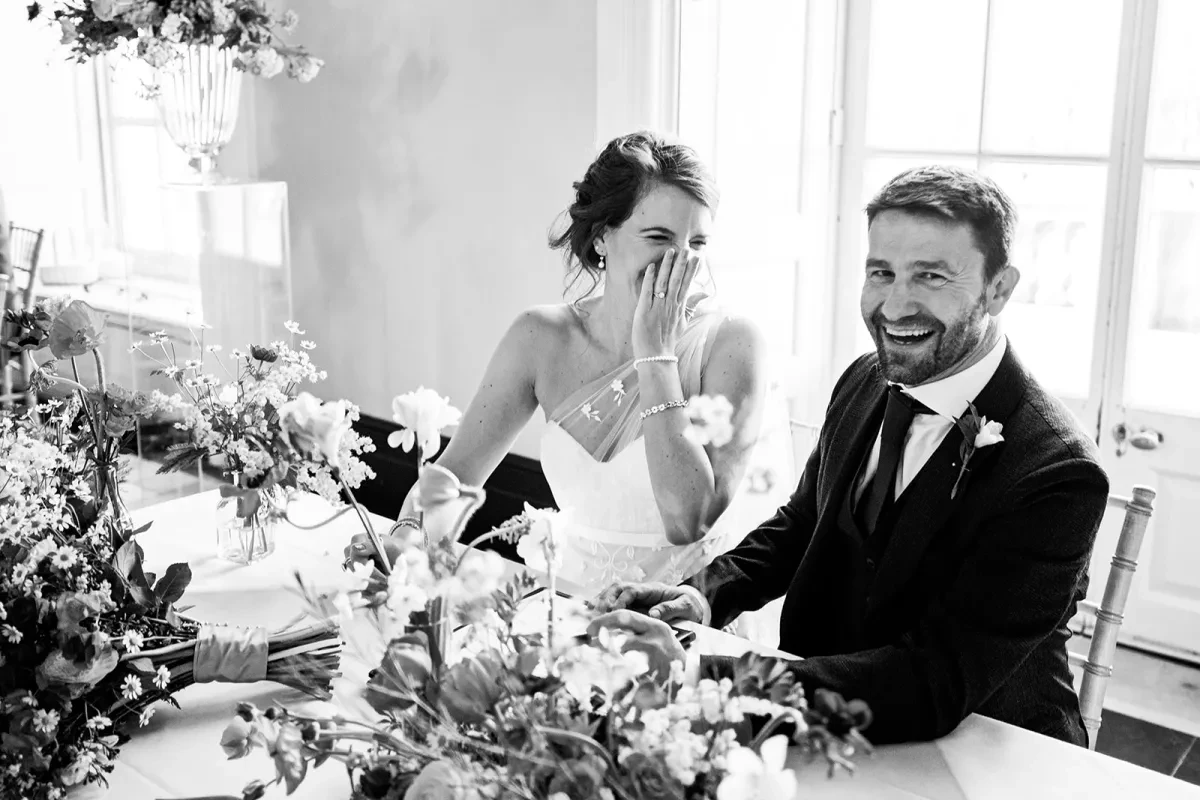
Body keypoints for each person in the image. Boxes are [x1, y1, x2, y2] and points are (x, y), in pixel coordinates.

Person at [591, 165, 1109, 747]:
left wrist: (702, 676)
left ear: (999, 288)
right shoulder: (865, 378)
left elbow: (934, 678)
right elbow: (803, 524)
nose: (894, 305)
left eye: (931, 277)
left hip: (984, 747)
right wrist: (703, 595)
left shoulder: (1059, 473)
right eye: (881, 272)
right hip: (825, 719)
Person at [348, 131, 792, 600]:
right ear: (603, 237)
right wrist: (406, 542)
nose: (682, 261)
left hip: (679, 626)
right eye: (659, 237)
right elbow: (454, 478)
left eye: (697, 243)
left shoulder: (733, 346)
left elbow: (688, 520)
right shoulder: (541, 338)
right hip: (567, 609)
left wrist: (656, 356)